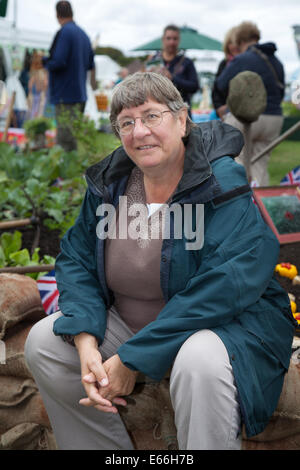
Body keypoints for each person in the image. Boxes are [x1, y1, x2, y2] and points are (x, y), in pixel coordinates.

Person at [24, 72, 296, 451]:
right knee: (45, 343)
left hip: (217, 328)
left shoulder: (220, 183)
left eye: (152, 116)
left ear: (182, 120)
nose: (139, 132)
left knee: (198, 361)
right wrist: (85, 340)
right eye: (127, 123)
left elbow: (225, 286)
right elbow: (76, 257)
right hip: (130, 326)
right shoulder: (111, 183)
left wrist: (132, 360)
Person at [215, 21, 285, 185]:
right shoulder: (278, 62)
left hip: (248, 118)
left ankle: (241, 204)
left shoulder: (242, 59)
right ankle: (261, 206)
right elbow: (280, 92)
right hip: (274, 118)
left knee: (238, 161)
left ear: (239, 41)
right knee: (260, 164)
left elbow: (221, 84)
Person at [42, 1, 95, 151]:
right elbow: (91, 64)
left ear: (57, 15)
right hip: (80, 94)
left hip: (66, 95)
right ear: (72, 12)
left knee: (65, 141)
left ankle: (66, 174)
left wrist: (45, 61)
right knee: (73, 137)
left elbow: (58, 61)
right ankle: (74, 170)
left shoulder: (65, 32)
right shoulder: (84, 35)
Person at [146, 24, 199, 114]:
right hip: (157, 111)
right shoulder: (154, 60)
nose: (172, 42)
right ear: (163, 39)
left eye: (175, 39)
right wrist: (146, 76)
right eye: (168, 38)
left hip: (180, 111)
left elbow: (194, 86)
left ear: (179, 41)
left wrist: (173, 79)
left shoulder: (187, 62)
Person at [211, 26, 240, 119]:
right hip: (224, 111)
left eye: (237, 42)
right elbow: (216, 89)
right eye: (231, 42)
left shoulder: (247, 63)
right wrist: (219, 107)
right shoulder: (224, 64)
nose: (234, 46)